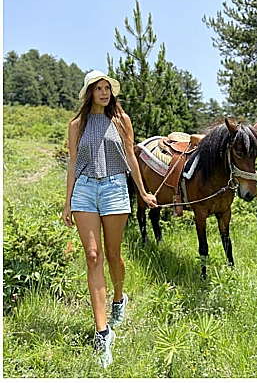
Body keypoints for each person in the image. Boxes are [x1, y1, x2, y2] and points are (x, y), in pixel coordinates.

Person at [61, 70, 158, 368]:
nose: (104, 93)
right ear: (89, 93)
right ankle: (102, 333)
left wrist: (142, 192)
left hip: (115, 188)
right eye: (98, 88)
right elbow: (73, 162)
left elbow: (130, 156)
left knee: (113, 254)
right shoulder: (76, 125)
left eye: (107, 88)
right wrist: (67, 202)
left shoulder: (121, 120)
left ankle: (119, 298)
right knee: (93, 256)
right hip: (84, 190)